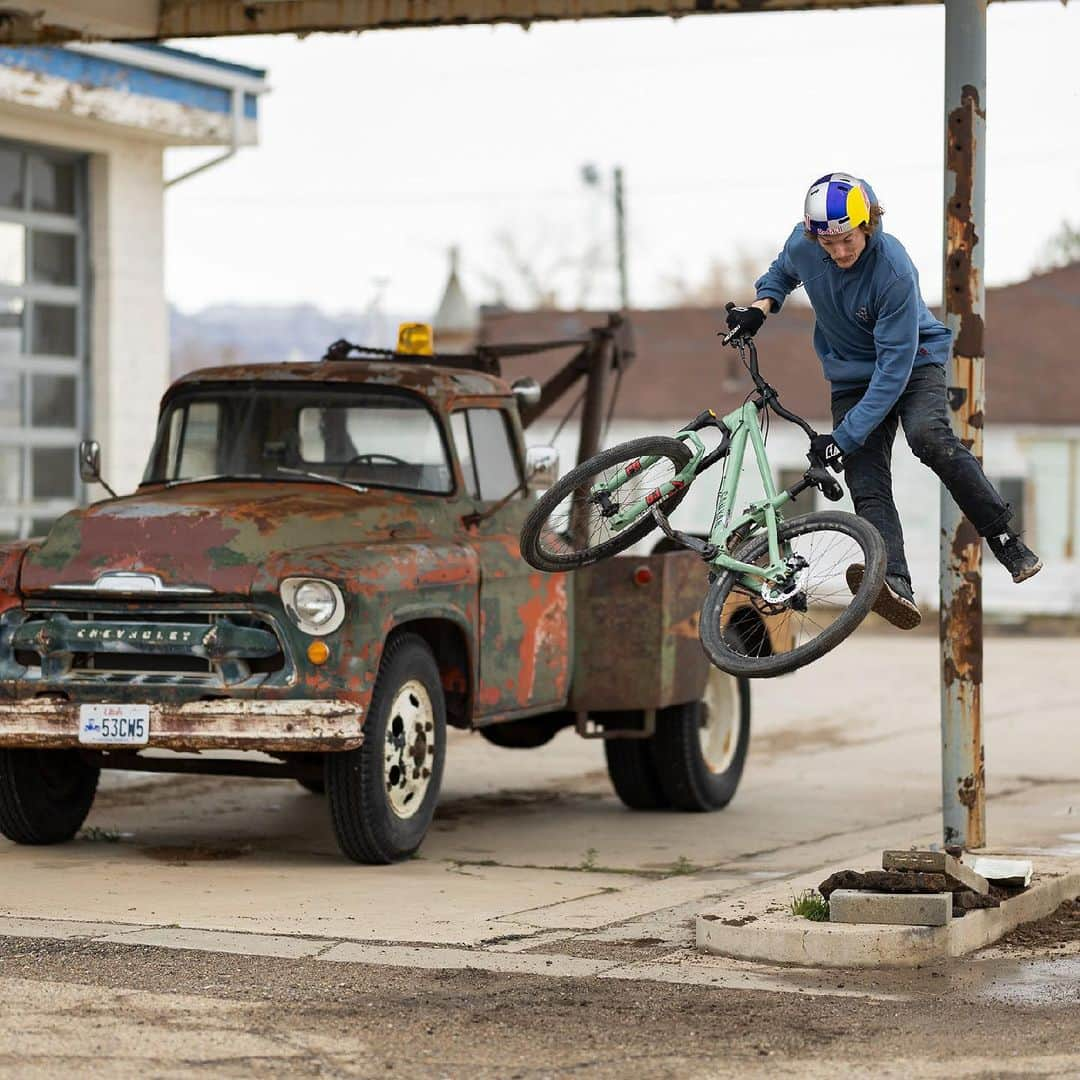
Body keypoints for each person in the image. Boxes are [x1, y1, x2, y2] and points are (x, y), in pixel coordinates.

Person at [725, 171, 1041, 630]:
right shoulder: (806, 244)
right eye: (828, 245)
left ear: (868, 223)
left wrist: (845, 436)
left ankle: (1006, 539)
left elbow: (893, 370)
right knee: (866, 479)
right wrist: (761, 308)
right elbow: (781, 273)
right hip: (851, 376)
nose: (838, 253)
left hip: (912, 364)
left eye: (847, 240)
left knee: (928, 436)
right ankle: (895, 582)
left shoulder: (892, 269)